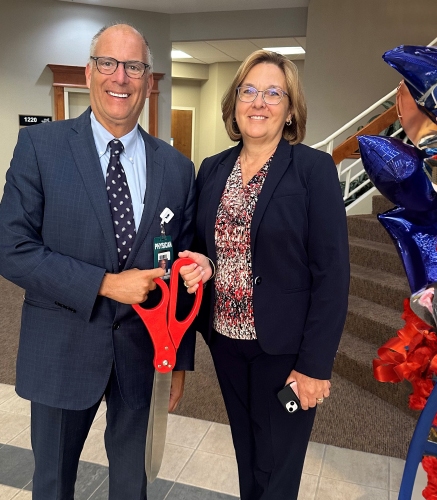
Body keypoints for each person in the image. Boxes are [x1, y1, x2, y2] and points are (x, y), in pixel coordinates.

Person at [0, 23, 196, 500]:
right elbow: (12, 249)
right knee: (53, 486)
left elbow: (182, 270)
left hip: (143, 356)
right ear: (89, 73)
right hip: (61, 350)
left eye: (134, 67)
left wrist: (178, 360)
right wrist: (106, 284)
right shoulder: (41, 148)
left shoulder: (177, 168)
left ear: (148, 80)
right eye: (108, 63)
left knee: (133, 487)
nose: (120, 77)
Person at [179, 50, 349, 500]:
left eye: (274, 93)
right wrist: (205, 264)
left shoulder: (313, 170)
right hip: (227, 344)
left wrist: (314, 367)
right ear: (235, 103)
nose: (259, 102)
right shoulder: (212, 168)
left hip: (285, 352)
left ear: (290, 108)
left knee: (278, 471)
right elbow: (209, 246)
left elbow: (332, 276)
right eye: (249, 91)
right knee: (249, 456)